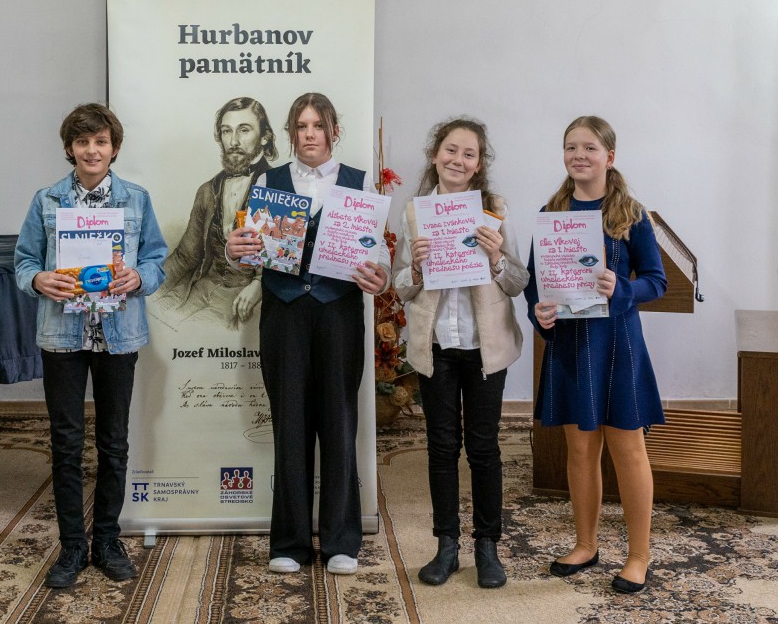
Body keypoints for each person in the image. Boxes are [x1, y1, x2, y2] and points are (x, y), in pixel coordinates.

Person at [225, 92, 390, 576]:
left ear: (334, 131)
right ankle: (290, 542)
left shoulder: (360, 182)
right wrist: (235, 250)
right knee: (290, 423)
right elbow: (246, 250)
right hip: (284, 314)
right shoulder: (268, 182)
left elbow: (377, 252)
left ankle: (341, 541)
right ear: (291, 133)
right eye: (302, 126)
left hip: (339, 312)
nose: (310, 134)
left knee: (339, 422)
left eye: (319, 125)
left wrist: (380, 274)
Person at [14, 103, 168, 589]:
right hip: (63, 336)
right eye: (82, 142)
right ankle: (72, 546)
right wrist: (38, 279)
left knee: (114, 442)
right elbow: (23, 261)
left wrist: (138, 277)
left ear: (114, 148)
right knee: (65, 443)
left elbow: (157, 261)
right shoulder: (47, 200)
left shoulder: (136, 200)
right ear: (69, 148)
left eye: (100, 141)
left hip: (118, 336)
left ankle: (106, 540)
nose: (91, 150)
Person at [525, 115, 667, 594]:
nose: (579, 155)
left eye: (589, 147)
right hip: (570, 345)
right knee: (580, 449)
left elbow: (656, 281)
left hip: (618, 346)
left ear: (610, 156)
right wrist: (539, 312)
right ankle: (586, 545)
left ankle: (638, 555)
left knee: (628, 450)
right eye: (571, 147)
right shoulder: (551, 213)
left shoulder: (632, 214)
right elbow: (534, 284)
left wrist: (620, 286)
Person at [393, 118, 528, 589]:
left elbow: (518, 282)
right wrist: (415, 267)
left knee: (484, 447)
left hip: (484, 348)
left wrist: (496, 258)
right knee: (442, 447)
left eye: (469, 154)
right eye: (451, 150)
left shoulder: (496, 211)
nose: (458, 160)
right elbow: (401, 287)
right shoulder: (415, 213)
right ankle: (446, 546)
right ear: (435, 156)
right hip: (437, 348)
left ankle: (487, 546)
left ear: (478, 165)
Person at [156, 96, 276, 328]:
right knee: (160, 315)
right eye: (226, 131)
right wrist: (150, 289)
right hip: (202, 287)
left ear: (264, 137)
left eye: (244, 130)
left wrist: (259, 283)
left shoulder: (278, 187)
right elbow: (186, 256)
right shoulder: (207, 191)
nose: (233, 141)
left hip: (246, 299)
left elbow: (285, 264)